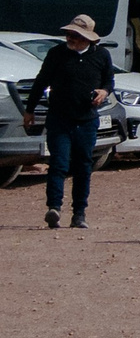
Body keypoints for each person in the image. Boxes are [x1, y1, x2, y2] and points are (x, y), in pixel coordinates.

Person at [30, 15, 116, 230]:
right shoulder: (56, 54)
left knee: (83, 167)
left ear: (88, 39)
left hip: (86, 120)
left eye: (75, 35)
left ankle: (79, 213)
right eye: (68, 34)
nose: (70, 38)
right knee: (58, 163)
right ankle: (54, 208)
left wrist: (104, 92)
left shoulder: (102, 56)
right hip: (59, 118)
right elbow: (41, 81)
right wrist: (29, 110)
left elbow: (109, 80)